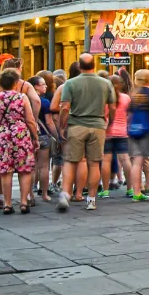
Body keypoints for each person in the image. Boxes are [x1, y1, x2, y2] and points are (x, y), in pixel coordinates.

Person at [56, 53, 117, 213]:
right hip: (97, 125)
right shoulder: (105, 83)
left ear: (79, 66)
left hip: (76, 124)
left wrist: (62, 125)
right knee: (94, 163)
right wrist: (110, 122)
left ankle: (65, 193)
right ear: (94, 66)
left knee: (71, 161)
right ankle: (91, 199)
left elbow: (64, 107)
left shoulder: (70, 83)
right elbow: (112, 106)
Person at [0, 69, 38, 214]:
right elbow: (30, 120)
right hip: (21, 134)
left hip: (2, 135)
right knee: (25, 170)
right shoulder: (22, 98)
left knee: (5, 172)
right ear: (16, 83)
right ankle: (23, 202)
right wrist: (35, 137)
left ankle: (7, 204)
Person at [127, 69, 149, 201]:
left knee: (137, 162)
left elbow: (129, 116)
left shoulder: (134, 94)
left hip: (134, 131)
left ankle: (136, 192)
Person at [100, 74, 132, 198]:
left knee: (106, 160)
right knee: (125, 159)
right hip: (122, 132)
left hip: (107, 132)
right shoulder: (126, 98)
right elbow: (129, 115)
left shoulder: (103, 98)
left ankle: (105, 189)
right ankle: (130, 189)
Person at [28, 74, 55, 204]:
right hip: (43, 135)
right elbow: (49, 122)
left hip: (28, 135)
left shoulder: (24, 101)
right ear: (35, 87)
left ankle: (29, 195)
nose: (46, 86)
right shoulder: (44, 102)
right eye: (42, 84)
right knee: (44, 166)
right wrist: (57, 136)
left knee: (31, 167)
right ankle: (44, 194)